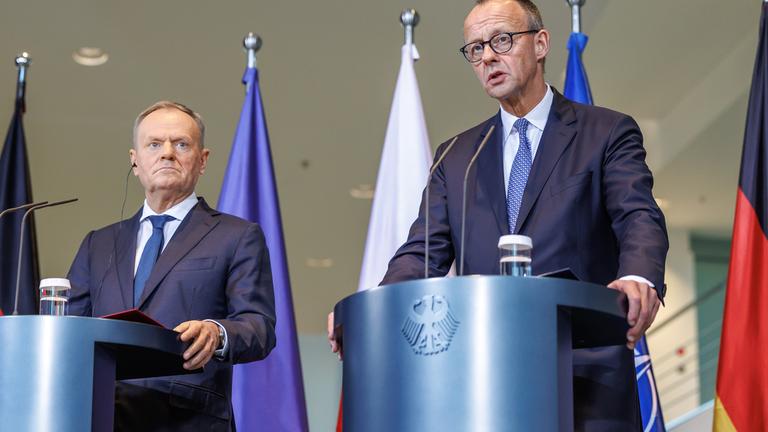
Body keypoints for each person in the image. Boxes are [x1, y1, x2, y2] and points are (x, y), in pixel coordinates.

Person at [330, 0, 667, 430]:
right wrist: (376, 308)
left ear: (541, 43)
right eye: (474, 49)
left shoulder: (605, 132)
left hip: (585, 374)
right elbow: (421, 253)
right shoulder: (455, 157)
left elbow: (639, 216)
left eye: (501, 40)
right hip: (484, 381)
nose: (487, 56)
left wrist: (639, 276)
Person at [67, 101, 276, 431]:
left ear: (202, 160)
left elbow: (259, 327)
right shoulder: (98, 243)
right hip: (101, 418)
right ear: (135, 161)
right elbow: (68, 330)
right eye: (154, 144)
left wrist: (216, 332)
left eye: (181, 144)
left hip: (188, 420)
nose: (167, 153)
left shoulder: (237, 236)